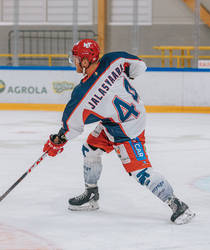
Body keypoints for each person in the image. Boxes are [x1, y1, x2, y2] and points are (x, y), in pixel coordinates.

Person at [42, 39, 195, 225]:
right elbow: (140, 66)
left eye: (76, 58)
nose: (74, 61)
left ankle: (177, 205)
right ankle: (91, 194)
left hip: (127, 131)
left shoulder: (83, 93)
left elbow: (70, 126)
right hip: (125, 117)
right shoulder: (114, 59)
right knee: (90, 149)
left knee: (141, 172)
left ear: (85, 61)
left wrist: (57, 141)